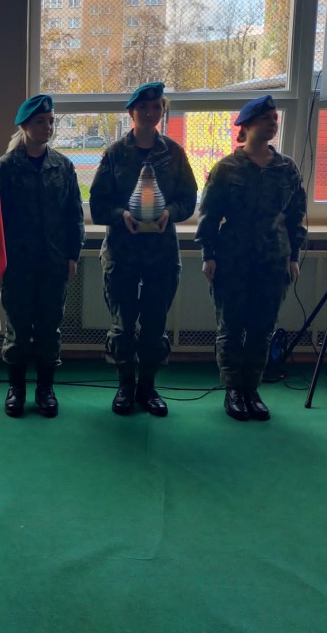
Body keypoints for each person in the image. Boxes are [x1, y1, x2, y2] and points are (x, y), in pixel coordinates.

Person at [89, 82, 198, 417]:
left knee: (154, 324)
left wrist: (170, 213)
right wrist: (121, 215)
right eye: (143, 108)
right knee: (123, 326)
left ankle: (148, 388)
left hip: (161, 254)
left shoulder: (174, 153)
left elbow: (188, 198)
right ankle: (125, 386)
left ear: (162, 110)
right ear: (131, 113)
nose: (151, 113)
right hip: (122, 253)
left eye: (156, 107)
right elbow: (98, 205)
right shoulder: (115, 154)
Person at [195, 95, 307, 422]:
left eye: (274, 118)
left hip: (274, 259)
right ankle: (233, 389)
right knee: (230, 327)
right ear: (246, 126)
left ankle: (252, 390)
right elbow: (209, 215)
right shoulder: (227, 168)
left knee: (262, 328)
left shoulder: (286, 169)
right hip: (232, 259)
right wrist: (208, 255)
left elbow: (296, 217)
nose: (272, 123)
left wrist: (294, 257)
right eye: (265, 118)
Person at [0, 94, 85, 418]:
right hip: (17, 264)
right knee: (18, 329)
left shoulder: (63, 166)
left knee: (49, 328)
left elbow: (74, 214)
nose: (47, 127)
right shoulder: (5, 168)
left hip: (53, 262)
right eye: (40, 122)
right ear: (24, 126)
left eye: (50, 121)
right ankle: (16, 389)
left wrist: (73, 255)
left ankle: (45, 389)